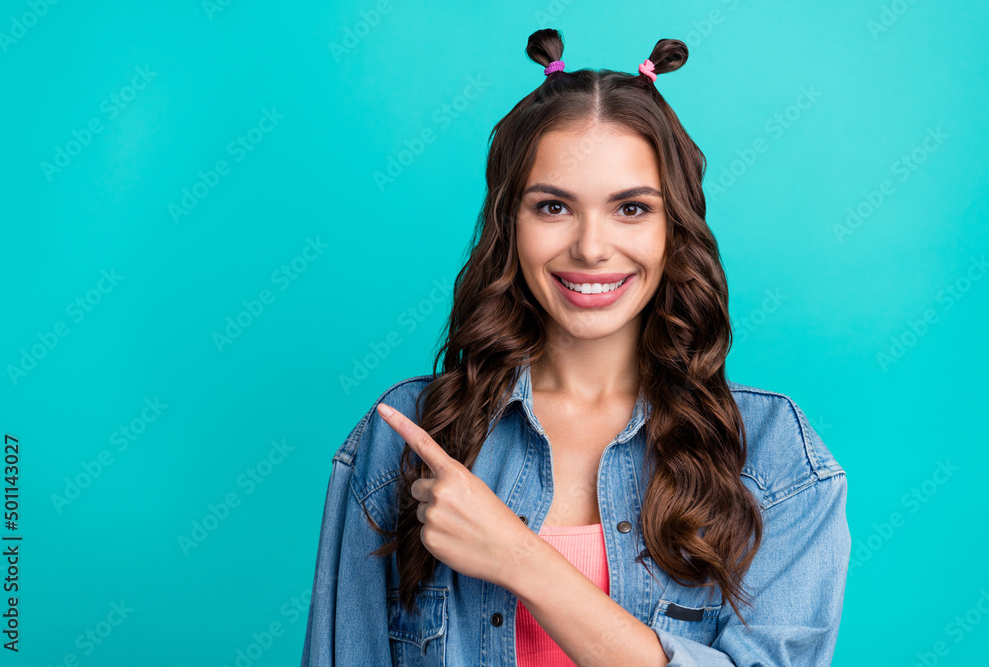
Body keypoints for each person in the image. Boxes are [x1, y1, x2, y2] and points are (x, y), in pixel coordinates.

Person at [301, 27, 850, 667]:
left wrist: (522, 558)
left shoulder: (774, 457)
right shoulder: (411, 434)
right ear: (510, 224)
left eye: (632, 209)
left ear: (677, 225)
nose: (591, 248)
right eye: (554, 206)